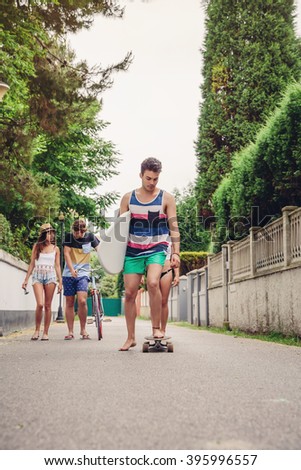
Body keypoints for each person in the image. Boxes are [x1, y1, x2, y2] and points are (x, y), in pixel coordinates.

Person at [119, 157, 180, 351]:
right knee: (129, 293)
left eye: (155, 179)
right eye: (148, 178)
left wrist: (176, 253)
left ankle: (156, 329)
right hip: (132, 250)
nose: (152, 183)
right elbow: (120, 230)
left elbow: (174, 228)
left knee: (153, 282)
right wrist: (115, 258)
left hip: (157, 248)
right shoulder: (128, 198)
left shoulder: (167, 198)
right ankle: (130, 337)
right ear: (141, 175)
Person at [22, 223, 62, 341]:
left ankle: (45, 332)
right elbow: (32, 263)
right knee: (40, 304)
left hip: (50, 276)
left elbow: (58, 266)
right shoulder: (36, 246)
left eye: (52, 233)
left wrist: (60, 282)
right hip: (37, 276)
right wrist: (26, 279)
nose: (51, 235)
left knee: (48, 306)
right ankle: (36, 330)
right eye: (48, 233)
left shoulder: (56, 249)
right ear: (44, 235)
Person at [62, 219, 100, 340]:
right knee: (69, 301)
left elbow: (101, 249)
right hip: (69, 272)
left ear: (84, 231)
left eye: (80, 232)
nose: (78, 235)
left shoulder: (90, 237)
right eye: (76, 232)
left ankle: (83, 330)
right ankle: (70, 331)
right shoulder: (69, 237)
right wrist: (72, 269)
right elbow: (66, 254)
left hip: (83, 272)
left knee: (82, 301)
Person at [159, 244, 180, 335]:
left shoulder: (171, 241)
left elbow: (175, 260)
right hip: (152, 271)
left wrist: (177, 275)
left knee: (164, 301)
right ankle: (155, 329)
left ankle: (163, 329)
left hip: (166, 271)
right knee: (155, 302)